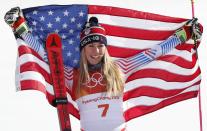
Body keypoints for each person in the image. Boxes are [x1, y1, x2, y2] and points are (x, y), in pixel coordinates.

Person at [5, 7, 202, 131]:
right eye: (91, 46)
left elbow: (153, 53)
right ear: (83, 49)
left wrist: (183, 35)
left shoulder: (119, 68)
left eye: (100, 46)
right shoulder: (73, 75)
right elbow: (48, 56)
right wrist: (21, 28)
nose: (96, 50)